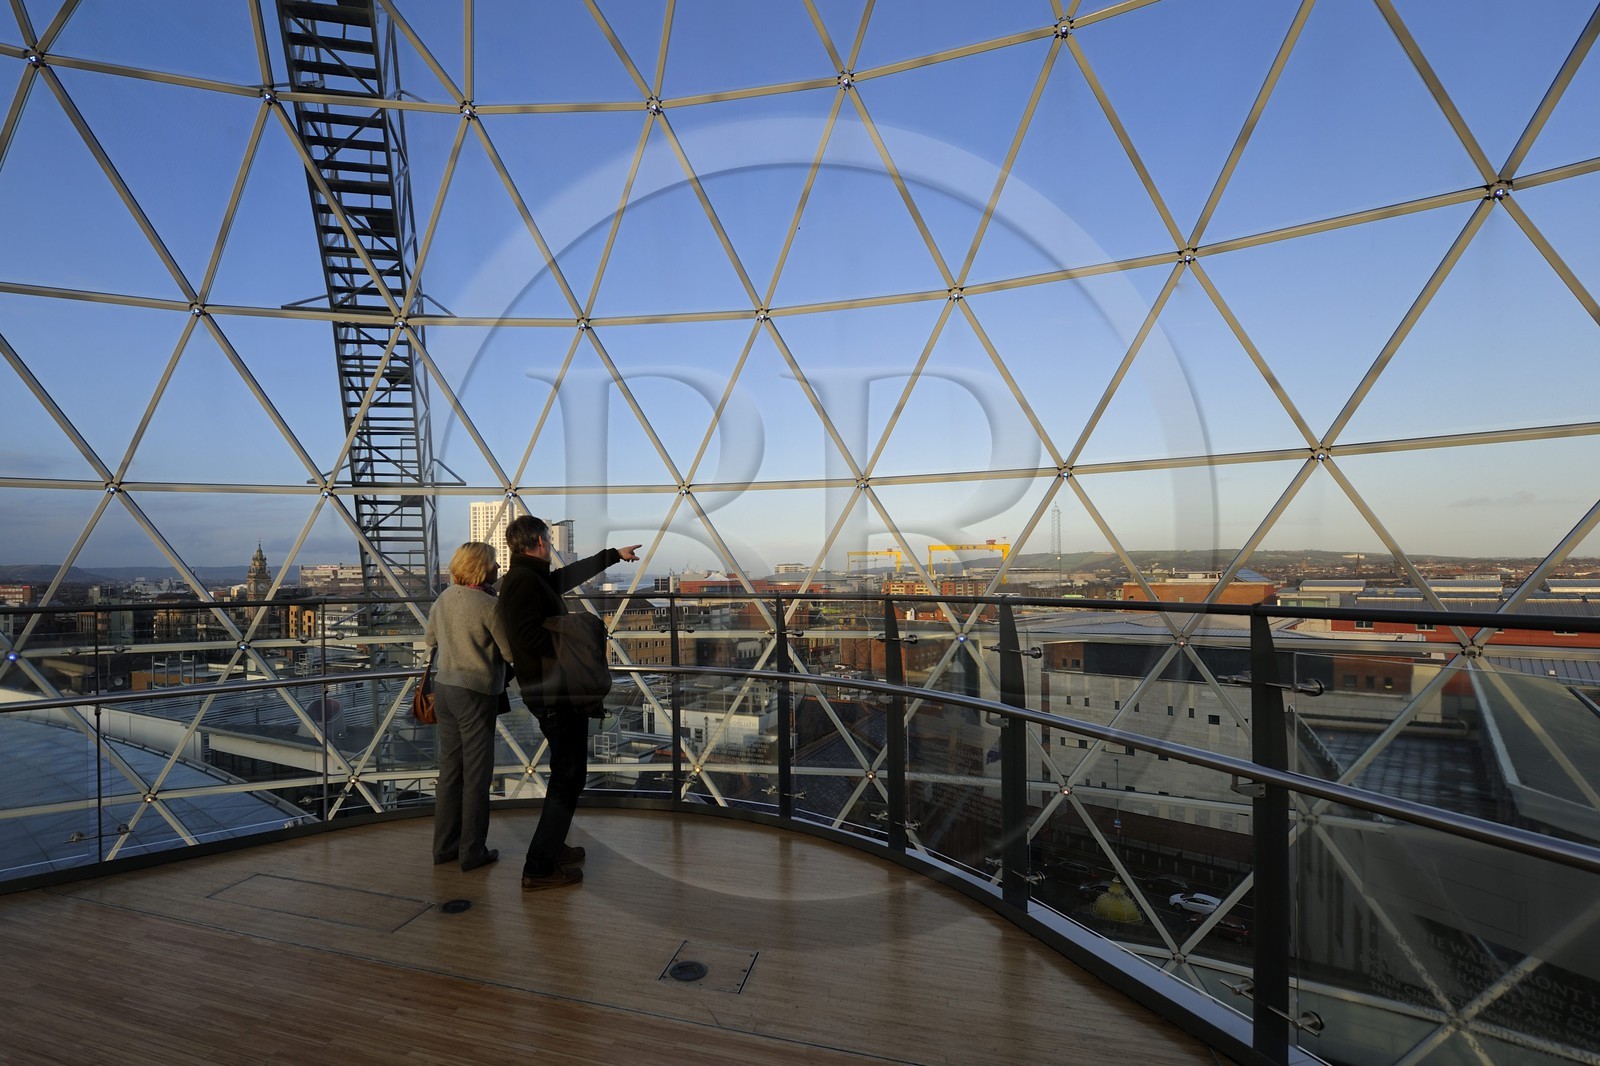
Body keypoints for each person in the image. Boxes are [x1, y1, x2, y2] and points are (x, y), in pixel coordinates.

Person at [497, 515, 639, 891]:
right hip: (553, 693)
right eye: (547, 538)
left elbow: (566, 578)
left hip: (551, 690)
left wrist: (613, 555)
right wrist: (568, 647)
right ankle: (539, 866)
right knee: (568, 776)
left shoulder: (528, 577)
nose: (550, 544)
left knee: (567, 773)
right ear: (540, 542)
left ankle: (552, 848)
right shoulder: (524, 583)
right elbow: (527, 637)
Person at [421, 541, 515, 872]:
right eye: (492, 564)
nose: (497, 568)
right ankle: (472, 851)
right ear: (480, 567)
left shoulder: (444, 598)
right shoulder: (489, 604)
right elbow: (510, 651)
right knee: (476, 776)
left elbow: (430, 639)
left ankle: (443, 848)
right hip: (475, 693)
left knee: (451, 773)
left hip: (444, 690)